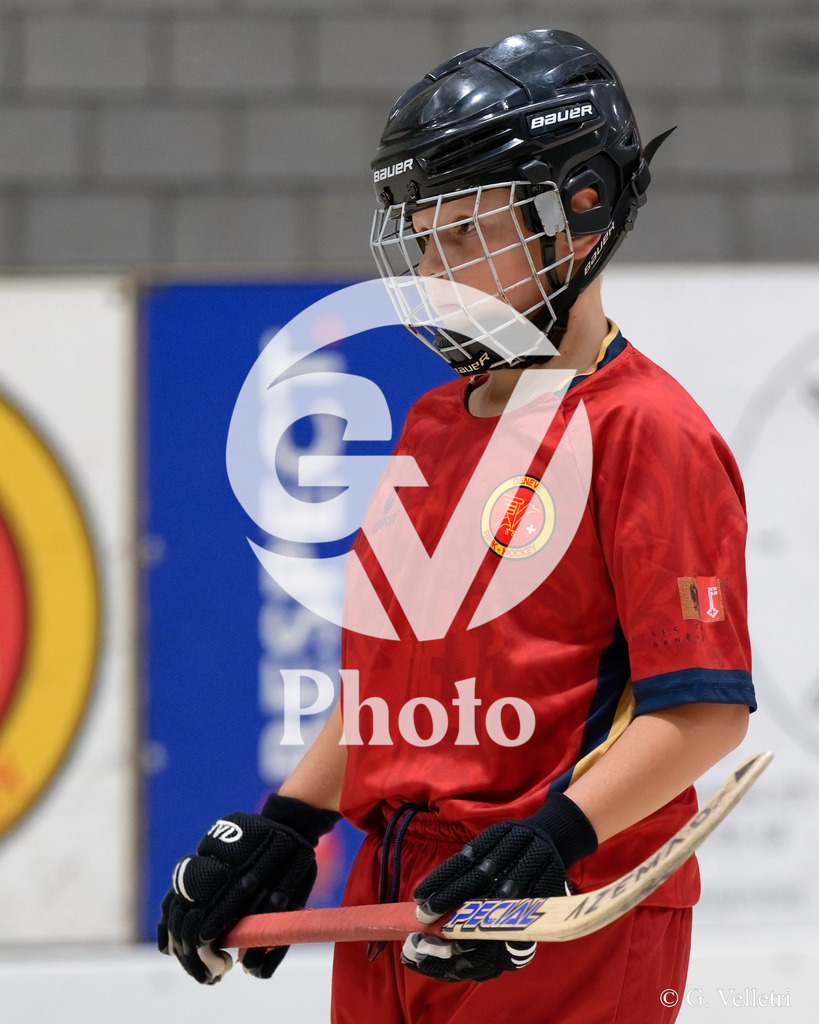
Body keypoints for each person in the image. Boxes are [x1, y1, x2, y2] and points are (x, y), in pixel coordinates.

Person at [157, 30, 756, 1023]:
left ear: (579, 214)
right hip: (402, 895)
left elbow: (702, 712)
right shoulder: (436, 423)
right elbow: (395, 684)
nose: (435, 270)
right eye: (423, 240)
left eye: (465, 238)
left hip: (559, 909)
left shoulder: (648, 430)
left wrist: (550, 844)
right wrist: (291, 824)